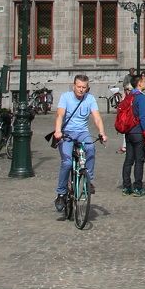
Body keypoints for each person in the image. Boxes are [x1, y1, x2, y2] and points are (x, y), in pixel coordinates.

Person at [52, 75, 108, 212]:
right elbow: (59, 115)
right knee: (67, 162)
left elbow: (97, 117)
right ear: (74, 86)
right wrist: (58, 131)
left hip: (82, 132)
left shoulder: (90, 99)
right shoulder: (65, 97)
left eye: (84, 87)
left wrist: (102, 132)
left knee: (90, 148)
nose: (81, 90)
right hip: (67, 132)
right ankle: (61, 193)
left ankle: (88, 180)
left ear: (87, 88)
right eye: (79, 87)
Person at [121, 75, 145, 197]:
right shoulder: (141, 98)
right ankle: (138, 188)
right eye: (144, 82)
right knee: (139, 161)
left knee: (128, 160)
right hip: (139, 132)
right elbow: (143, 118)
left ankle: (126, 187)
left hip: (129, 132)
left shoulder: (129, 96)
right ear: (139, 83)